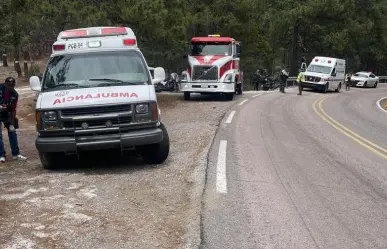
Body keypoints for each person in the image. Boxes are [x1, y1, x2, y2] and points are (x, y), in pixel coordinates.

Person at [0, 77, 27, 162]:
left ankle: (16, 154)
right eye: (9, 85)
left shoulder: (15, 95)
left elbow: (13, 109)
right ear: (5, 84)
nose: (10, 87)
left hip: (6, 113)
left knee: (12, 132)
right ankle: (1, 155)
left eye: (12, 85)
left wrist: (12, 123)